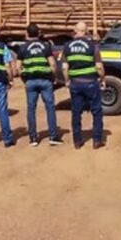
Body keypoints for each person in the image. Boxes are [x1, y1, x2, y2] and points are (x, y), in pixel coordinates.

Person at [13, 23, 63, 147]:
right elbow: (52, 64)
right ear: (38, 33)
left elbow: (17, 68)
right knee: (50, 108)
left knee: (31, 109)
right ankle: (53, 136)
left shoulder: (22, 48)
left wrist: (24, 78)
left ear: (27, 33)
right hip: (46, 81)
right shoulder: (45, 46)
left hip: (30, 81)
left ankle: (33, 138)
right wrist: (54, 77)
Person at [62, 21, 106, 149]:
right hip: (91, 83)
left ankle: (77, 141)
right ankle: (97, 140)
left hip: (75, 84)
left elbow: (65, 67)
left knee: (76, 113)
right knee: (97, 112)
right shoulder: (92, 45)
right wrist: (102, 78)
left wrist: (67, 81)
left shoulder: (67, 46)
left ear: (75, 30)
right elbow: (99, 66)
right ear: (86, 31)